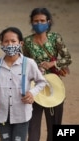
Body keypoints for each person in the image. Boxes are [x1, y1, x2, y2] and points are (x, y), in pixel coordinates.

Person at [22, 8, 72, 141]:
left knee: (55, 125)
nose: (39, 24)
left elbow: (68, 58)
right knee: (32, 125)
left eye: (42, 21)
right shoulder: (26, 42)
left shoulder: (55, 38)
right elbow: (24, 63)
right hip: (34, 86)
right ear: (32, 23)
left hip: (54, 87)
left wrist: (52, 64)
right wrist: (35, 69)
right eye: (36, 21)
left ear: (48, 22)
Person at [0, 27, 47, 141]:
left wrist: (32, 93)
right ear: (1, 44)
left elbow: (41, 81)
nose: (10, 44)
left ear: (20, 43)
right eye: (6, 41)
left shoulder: (29, 63)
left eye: (13, 41)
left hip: (21, 114)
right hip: (2, 114)